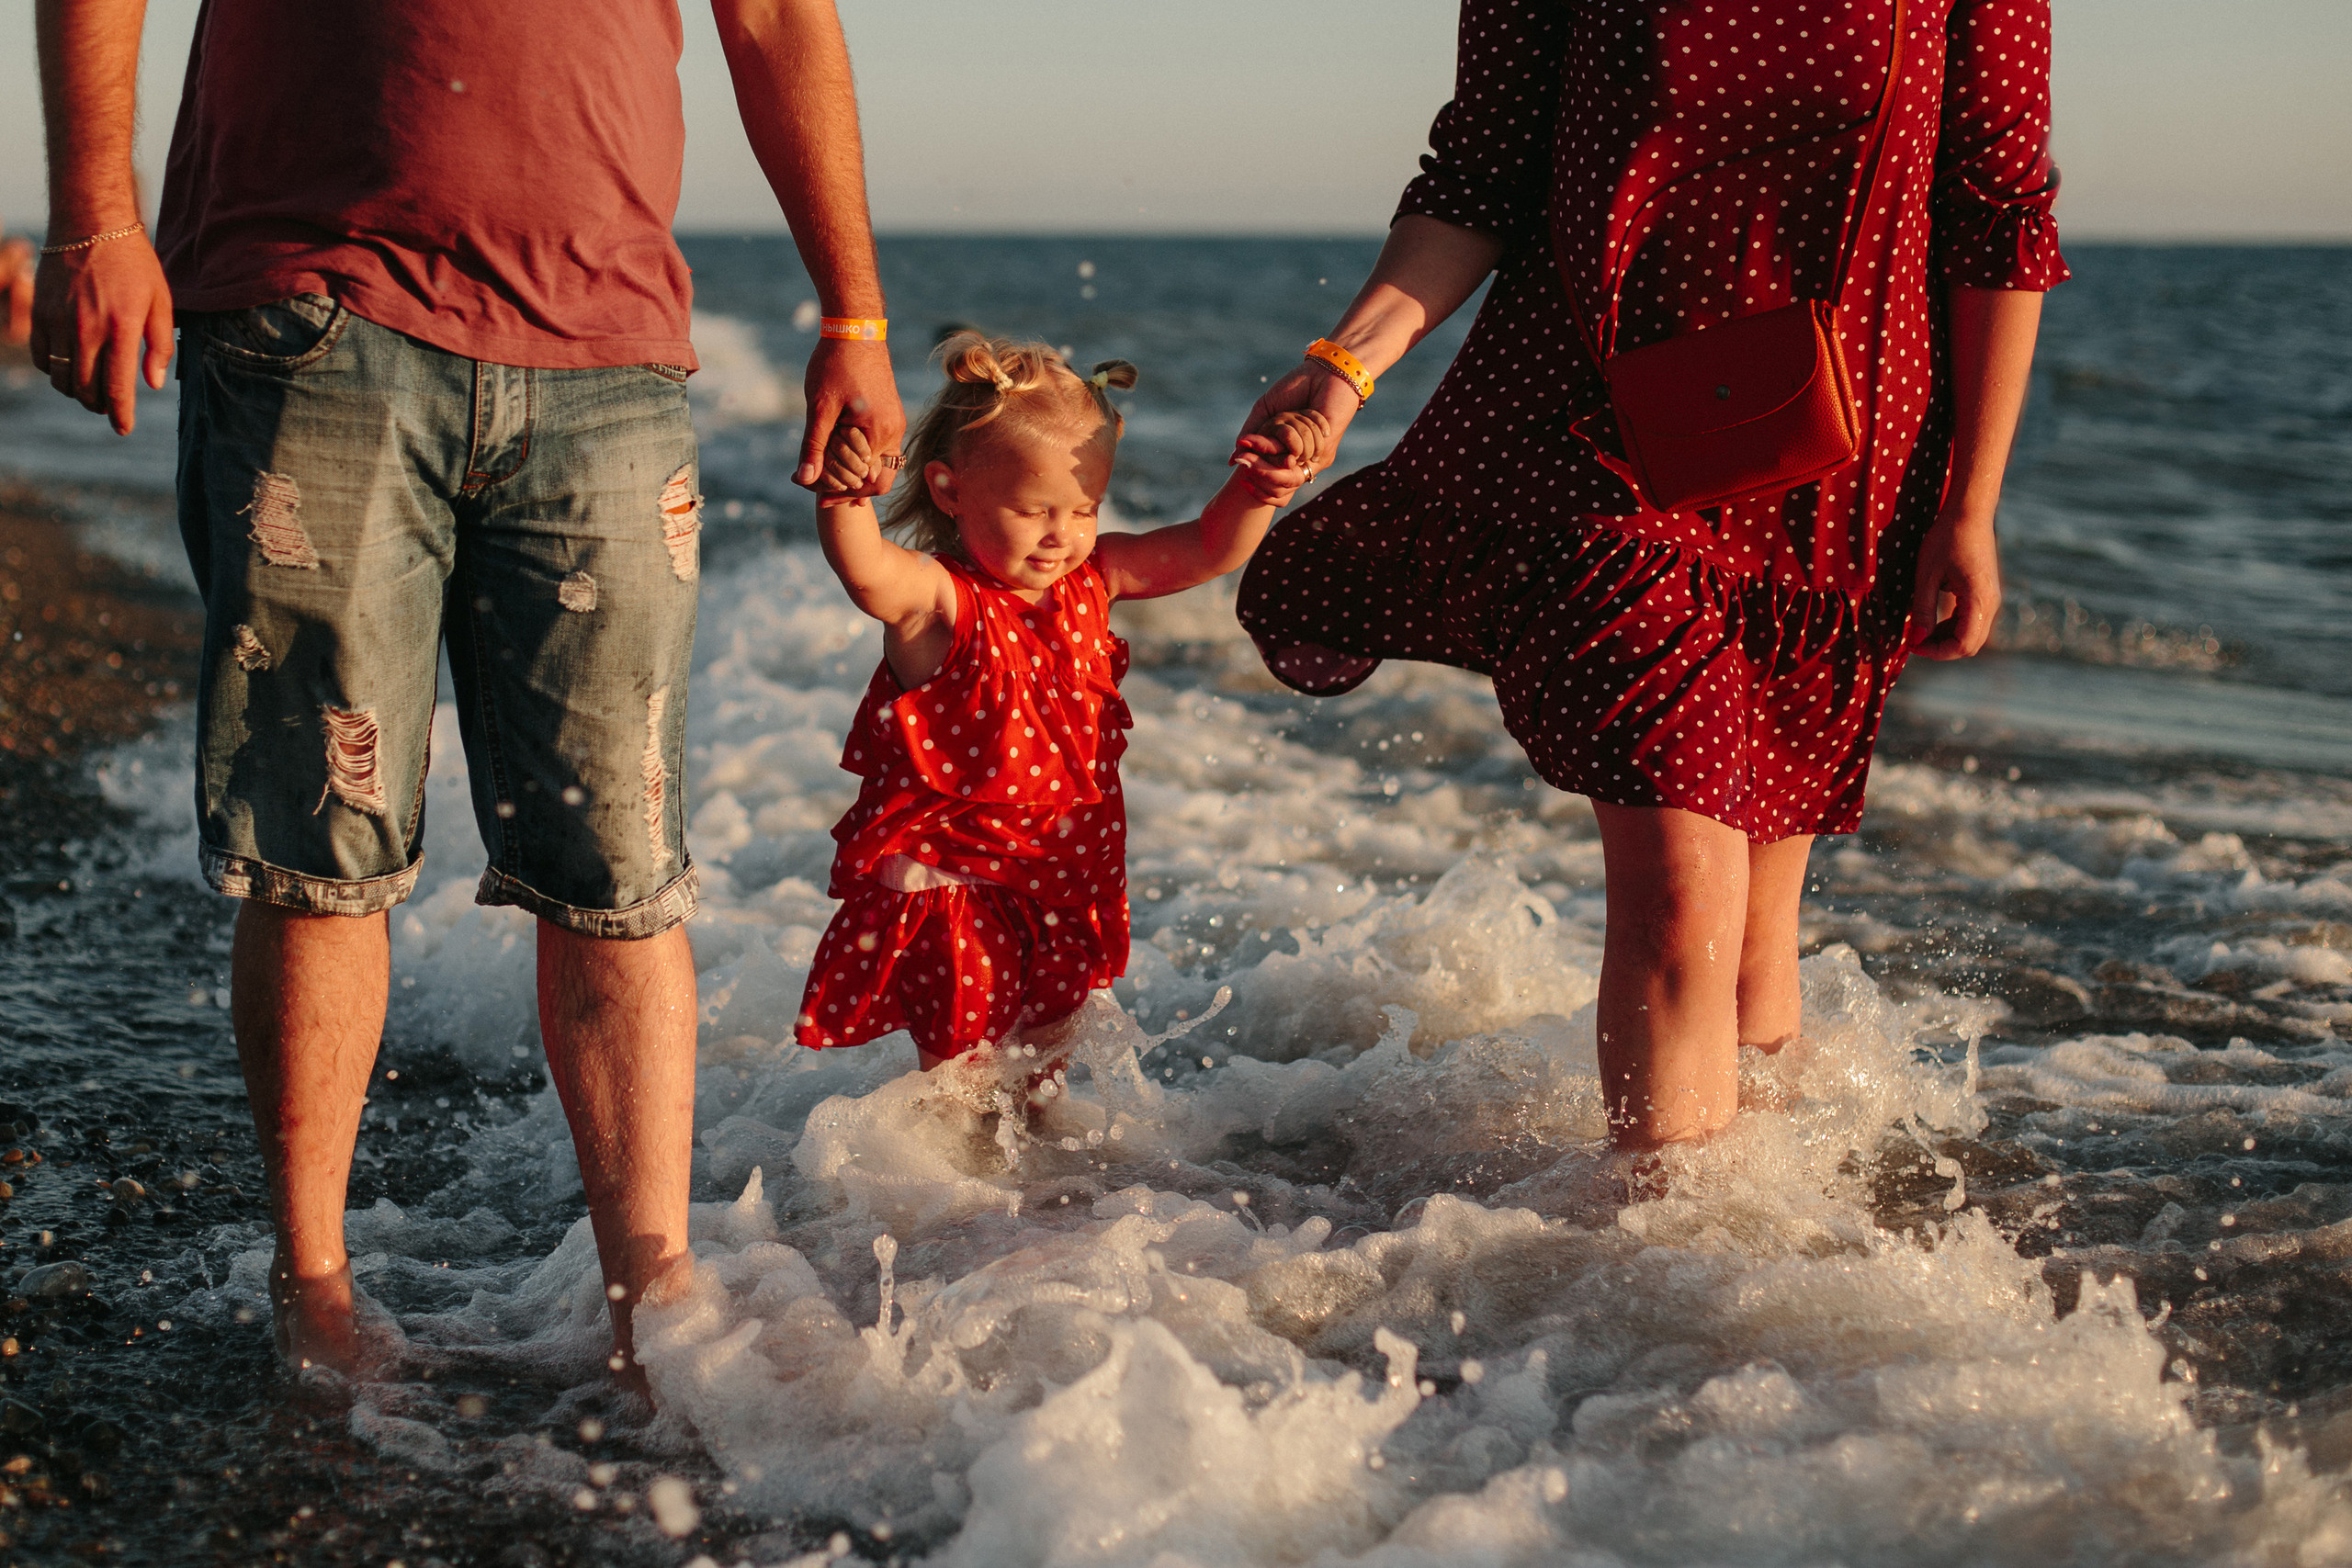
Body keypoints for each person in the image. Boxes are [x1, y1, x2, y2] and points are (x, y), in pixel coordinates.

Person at [29, 0, 906, 1391]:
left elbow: (780, 16)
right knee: (322, 840)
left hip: (610, 349)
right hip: (313, 309)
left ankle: (649, 1297)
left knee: (620, 858)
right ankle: (312, 1286)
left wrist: (853, 310)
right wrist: (96, 218)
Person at [1234, 0, 2065, 1152]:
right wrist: (1341, 368)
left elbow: (1996, 215)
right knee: (1681, 897)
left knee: (1755, 942)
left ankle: (1765, 1293)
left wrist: (1971, 505)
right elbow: (1479, 174)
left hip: (1835, 467)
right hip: (1601, 440)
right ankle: (1657, 1261)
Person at [793, 333, 1316, 1077]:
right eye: (1034, 509)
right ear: (949, 491)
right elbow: (867, 569)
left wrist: (1261, 489)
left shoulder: (1095, 579)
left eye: (1084, 508)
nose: (1062, 535)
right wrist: (843, 495)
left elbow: (1207, 545)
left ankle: (1038, 1196)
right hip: (959, 890)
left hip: (1068, 876)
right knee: (960, 1083)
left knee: (1046, 1075)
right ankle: (943, 1194)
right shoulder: (940, 601)